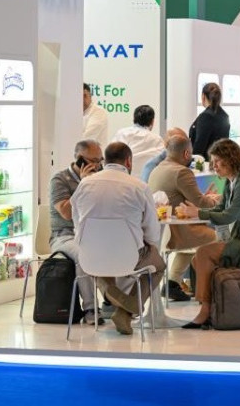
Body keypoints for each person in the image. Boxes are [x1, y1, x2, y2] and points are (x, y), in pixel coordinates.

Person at [175, 139, 240, 328]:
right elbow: (220, 208)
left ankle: (205, 310)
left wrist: (198, 213)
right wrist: (197, 211)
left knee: (203, 253)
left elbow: (229, 215)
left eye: (217, 161)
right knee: (197, 260)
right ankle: (212, 307)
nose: (214, 165)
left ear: (231, 160)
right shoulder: (232, 181)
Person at [70, 142, 166, 336]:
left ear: (105, 161)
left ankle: (110, 293)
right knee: (158, 266)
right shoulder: (139, 187)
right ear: (128, 161)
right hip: (129, 256)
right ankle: (127, 310)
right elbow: (152, 233)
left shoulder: (84, 184)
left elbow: (77, 222)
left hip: (91, 256)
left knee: (96, 264)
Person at [147, 135, 219, 301]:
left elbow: (186, 198)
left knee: (196, 241)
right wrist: (217, 200)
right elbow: (200, 203)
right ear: (186, 153)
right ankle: (209, 290)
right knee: (220, 238)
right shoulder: (181, 172)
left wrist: (204, 197)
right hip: (179, 229)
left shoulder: (157, 169)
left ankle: (173, 282)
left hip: (163, 229)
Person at [49, 139, 105, 324]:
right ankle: (91, 309)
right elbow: (66, 213)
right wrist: (83, 185)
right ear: (80, 159)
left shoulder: (100, 176)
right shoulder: (59, 179)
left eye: (100, 160)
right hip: (65, 236)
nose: (98, 165)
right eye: (94, 161)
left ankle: (116, 303)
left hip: (93, 233)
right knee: (83, 254)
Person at [111, 105, 165, 177]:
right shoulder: (157, 139)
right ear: (152, 121)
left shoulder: (122, 133)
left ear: (134, 118)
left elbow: (111, 156)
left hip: (122, 177)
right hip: (147, 179)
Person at [189, 82, 230, 160]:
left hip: (205, 163)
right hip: (220, 161)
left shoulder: (205, 116)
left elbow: (199, 147)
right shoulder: (224, 116)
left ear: (203, 96)